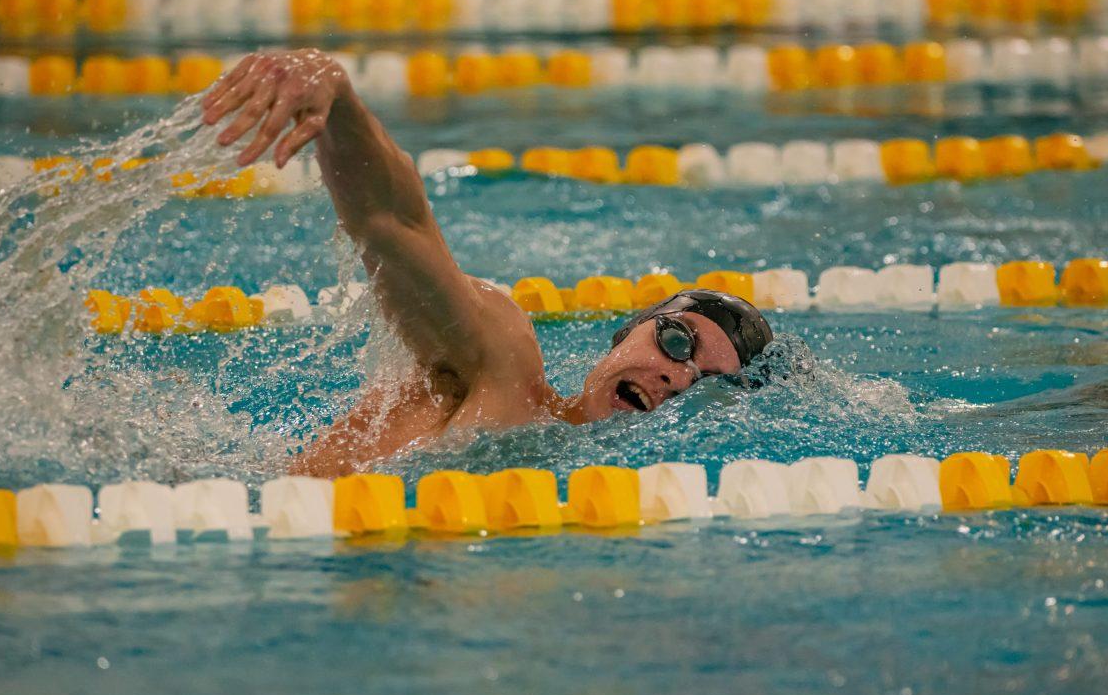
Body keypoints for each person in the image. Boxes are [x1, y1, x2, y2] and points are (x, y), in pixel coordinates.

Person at [201, 49, 774, 478]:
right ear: (628, 332)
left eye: (705, 385)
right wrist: (341, 105)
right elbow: (392, 224)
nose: (678, 377)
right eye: (677, 342)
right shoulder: (501, 366)